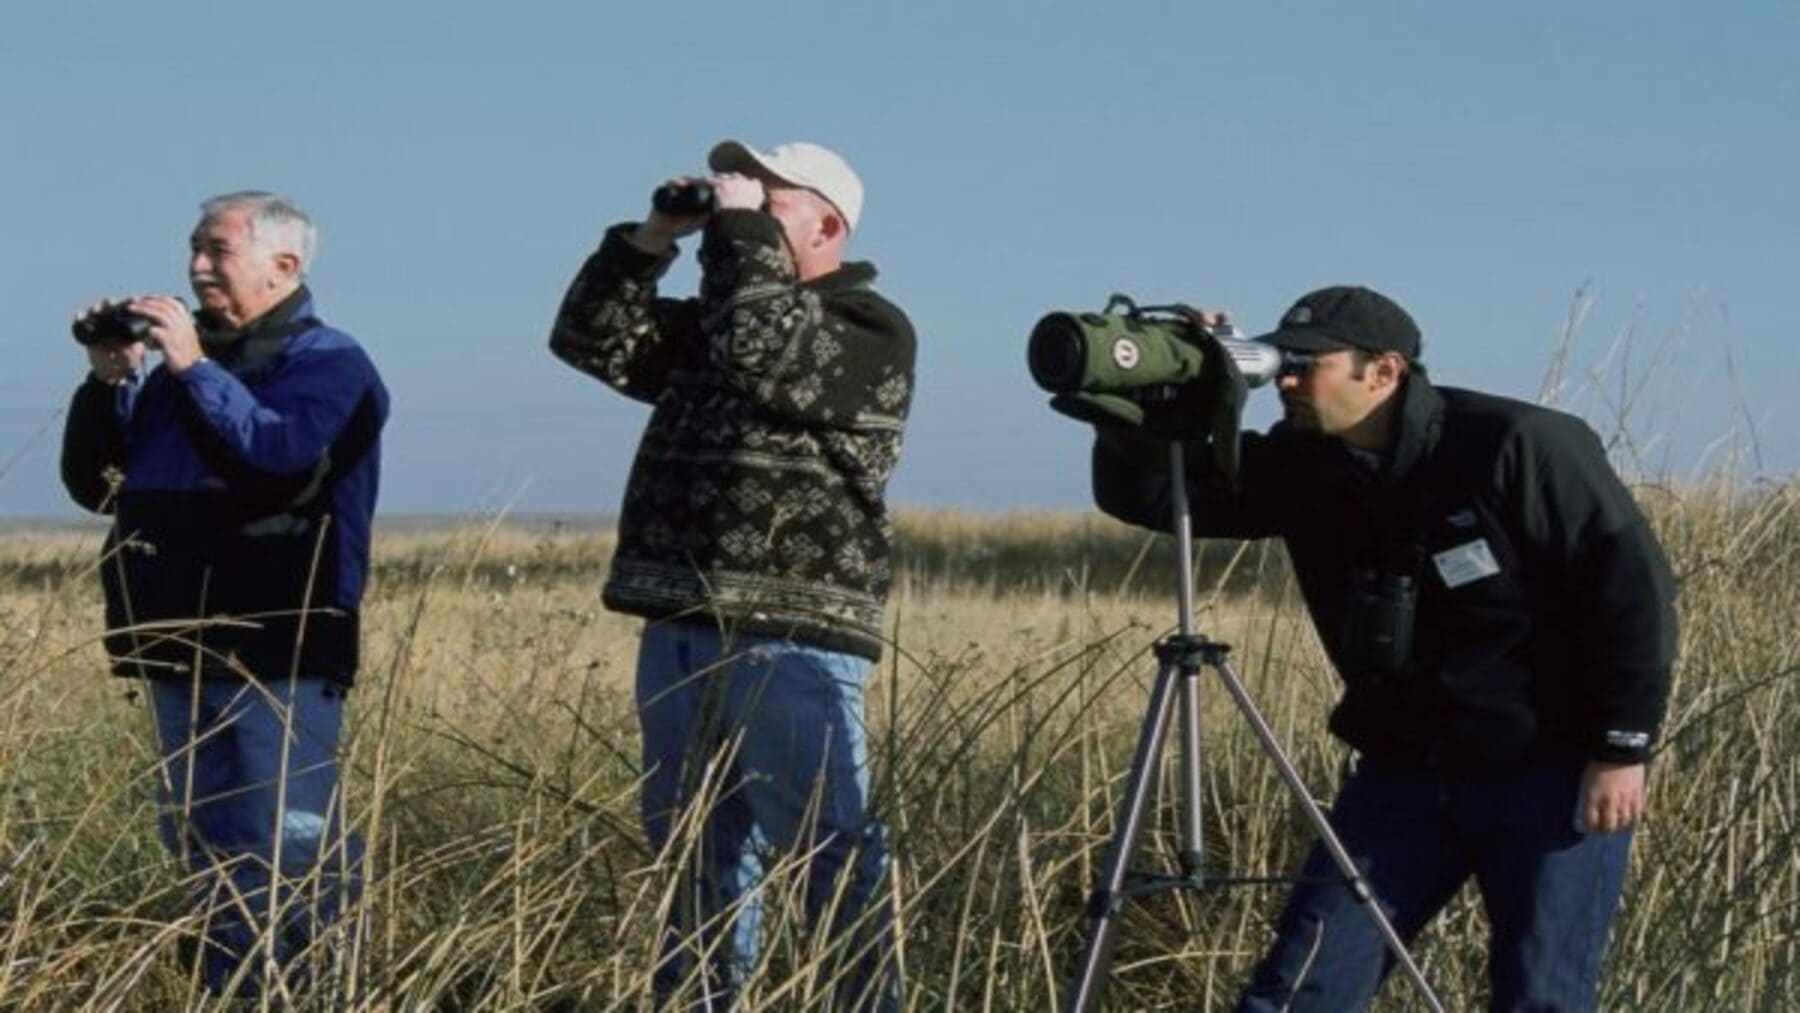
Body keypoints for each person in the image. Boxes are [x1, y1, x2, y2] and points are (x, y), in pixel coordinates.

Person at [1091, 286, 1676, 1011]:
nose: (1288, 382)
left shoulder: (1516, 442)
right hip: (1403, 776)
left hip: (1549, 774)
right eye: (1282, 364)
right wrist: (1162, 398)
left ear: (1386, 370)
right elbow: (1160, 498)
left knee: (1541, 996)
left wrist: (1622, 746)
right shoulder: (1305, 464)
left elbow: (1630, 591)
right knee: (1300, 989)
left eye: (1309, 365)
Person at [549, 139, 915, 1010]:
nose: (738, 206)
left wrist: (738, 230)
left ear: (828, 224)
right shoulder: (724, 315)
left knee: (825, 845)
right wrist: (652, 237)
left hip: (790, 637)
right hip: (680, 620)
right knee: (692, 854)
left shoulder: (869, 327)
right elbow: (587, 338)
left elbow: (761, 344)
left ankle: (865, 1000)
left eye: (769, 197)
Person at [61, 191, 388, 999]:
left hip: (281, 643)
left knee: (286, 837)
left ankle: (311, 989)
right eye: (193, 251)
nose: (196, 268)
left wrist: (192, 367)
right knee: (200, 837)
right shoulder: (175, 373)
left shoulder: (330, 363)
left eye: (216, 251)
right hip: (176, 640)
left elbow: (279, 457)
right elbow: (97, 487)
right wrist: (108, 381)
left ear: (286, 265)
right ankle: (231, 987)